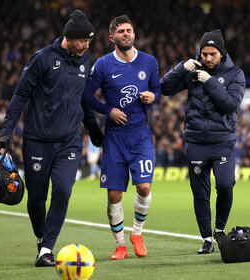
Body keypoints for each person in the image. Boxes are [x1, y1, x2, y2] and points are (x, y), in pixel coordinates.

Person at [0, 10, 103, 267]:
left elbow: (82, 99)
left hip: (69, 141)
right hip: (37, 141)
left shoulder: (85, 61)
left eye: (90, 41)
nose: (88, 45)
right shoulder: (42, 59)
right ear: (69, 37)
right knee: (36, 199)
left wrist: (93, 128)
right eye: (84, 40)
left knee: (64, 190)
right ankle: (41, 237)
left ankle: (46, 249)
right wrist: (6, 132)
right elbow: (20, 95)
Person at [82, 15, 161, 260]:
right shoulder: (103, 65)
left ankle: (137, 234)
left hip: (140, 135)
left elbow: (157, 87)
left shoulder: (148, 61)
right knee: (114, 194)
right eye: (121, 31)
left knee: (144, 187)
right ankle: (120, 245)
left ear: (134, 35)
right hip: (114, 137)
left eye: (129, 31)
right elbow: (85, 95)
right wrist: (108, 111)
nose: (126, 34)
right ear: (112, 37)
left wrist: (153, 96)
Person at [160, 29, 246, 254]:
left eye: (212, 54)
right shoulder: (193, 71)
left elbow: (230, 104)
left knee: (225, 185)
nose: (207, 58)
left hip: (222, 141)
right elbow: (164, 88)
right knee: (200, 193)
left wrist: (209, 82)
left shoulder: (236, 74)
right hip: (196, 141)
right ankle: (207, 238)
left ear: (222, 53)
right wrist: (180, 68)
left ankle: (220, 229)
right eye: (204, 53)